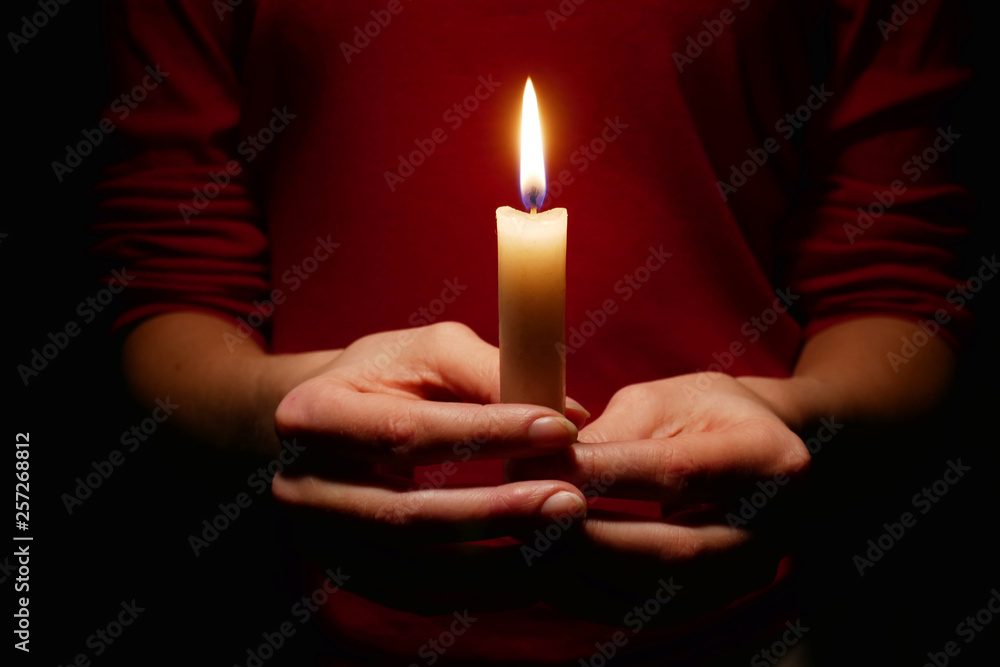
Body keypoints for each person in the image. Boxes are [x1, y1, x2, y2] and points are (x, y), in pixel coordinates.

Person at [93, 0, 971, 664]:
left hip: (741, 622)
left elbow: (900, 281)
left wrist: (801, 419)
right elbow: (168, 278)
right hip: (311, 624)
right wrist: (274, 413)